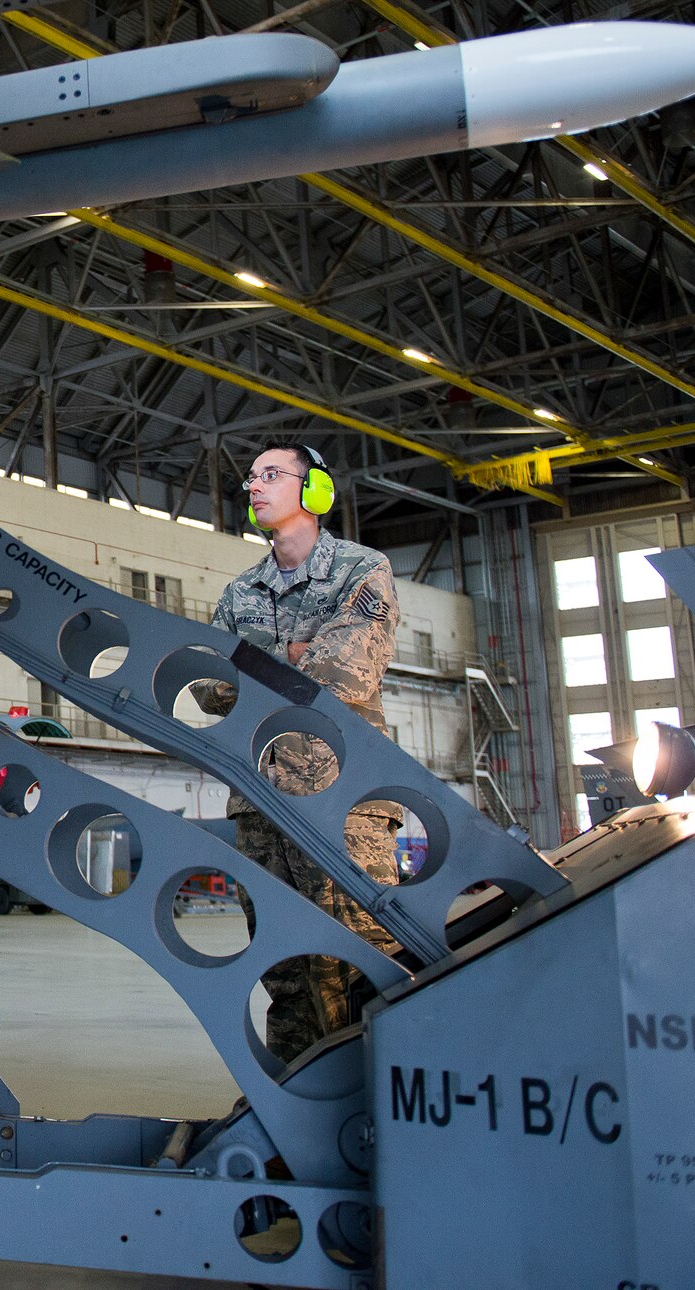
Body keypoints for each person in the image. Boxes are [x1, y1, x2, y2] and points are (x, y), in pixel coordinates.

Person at [205, 443, 404, 1065]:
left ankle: (379, 1096)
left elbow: (344, 674)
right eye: (251, 477)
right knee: (283, 966)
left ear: (313, 490)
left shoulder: (361, 569)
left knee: (363, 955)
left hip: (343, 795)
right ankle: (299, 1094)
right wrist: (294, 651)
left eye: (272, 475)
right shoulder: (242, 590)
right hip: (259, 797)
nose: (255, 487)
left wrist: (258, 655)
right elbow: (212, 686)